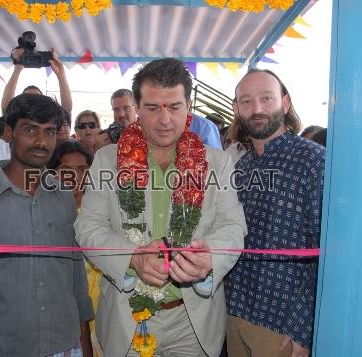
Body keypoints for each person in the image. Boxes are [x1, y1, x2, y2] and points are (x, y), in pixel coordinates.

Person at [75, 58, 247, 357]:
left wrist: (209, 260)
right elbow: (88, 226)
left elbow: (233, 227)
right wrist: (132, 258)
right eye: (153, 107)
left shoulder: (217, 162)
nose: (165, 119)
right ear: (137, 108)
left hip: (193, 321)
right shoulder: (107, 160)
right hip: (127, 316)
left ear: (188, 106)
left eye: (175, 107)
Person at [0, 93, 94, 357]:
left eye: (50, 132)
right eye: (30, 129)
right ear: (9, 132)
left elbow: (75, 272)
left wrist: (84, 343)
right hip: (6, 346)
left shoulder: (64, 196)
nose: (41, 141)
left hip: (65, 345)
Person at [225, 69, 325, 357]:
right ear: (236, 109)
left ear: (286, 102)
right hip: (235, 313)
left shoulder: (313, 161)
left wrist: (302, 326)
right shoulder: (241, 167)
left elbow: (324, 250)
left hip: (282, 326)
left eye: (266, 98)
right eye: (246, 101)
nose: (257, 109)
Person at [47, 141, 103, 357]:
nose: (75, 177)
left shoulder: (102, 215)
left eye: (82, 170)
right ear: (52, 175)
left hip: (102, 306)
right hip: (65, 310)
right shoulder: (46, 218)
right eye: (66, 171)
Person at [0, 48, 73, 114]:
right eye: (27, 98)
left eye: (37, 98)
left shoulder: (49, 121)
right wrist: (17, 69)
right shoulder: (16, 122)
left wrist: (61, 75)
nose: (33, 101)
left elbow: (66, 110)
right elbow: (6, 109)